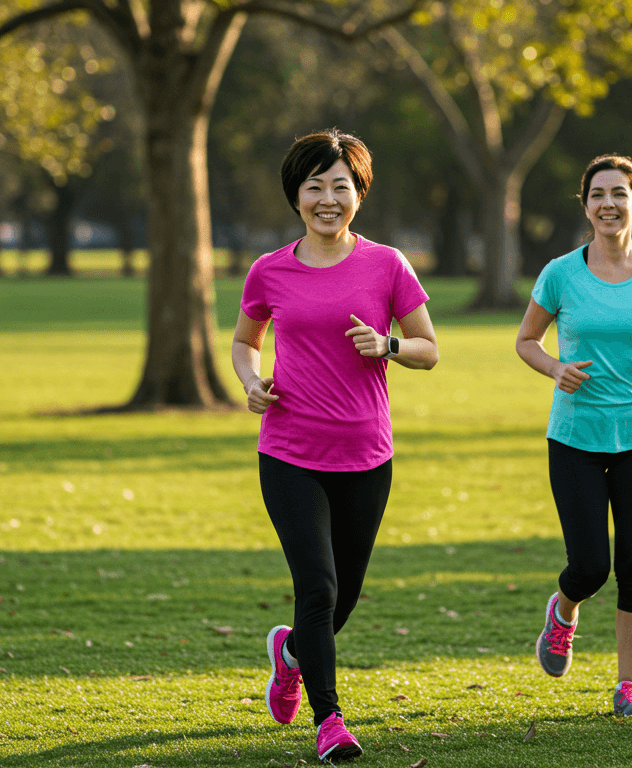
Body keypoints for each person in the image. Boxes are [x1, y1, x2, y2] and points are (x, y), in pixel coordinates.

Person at [232, 130, 439, 762]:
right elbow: (246, 341)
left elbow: (429, 349)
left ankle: (291, 652)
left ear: (359, 193)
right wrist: (251, 382)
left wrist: (390, 347)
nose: (328, 198)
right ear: (296, 195)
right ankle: (331, 720)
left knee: (342, 596)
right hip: (290, 452)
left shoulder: (387, 265)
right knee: (317, 587)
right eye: (314, 186)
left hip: (367, 456)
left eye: (340, 185)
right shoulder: (270, 269)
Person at [515, 154, 632, 717]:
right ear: (586, 205)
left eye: (619, 193)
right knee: (591, 565)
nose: (608, 204)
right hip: (574, 436)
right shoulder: (561, 273)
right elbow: (526, 340)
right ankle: (564, 612)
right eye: (598, 194)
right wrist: (554, 369)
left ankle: (628, 687)